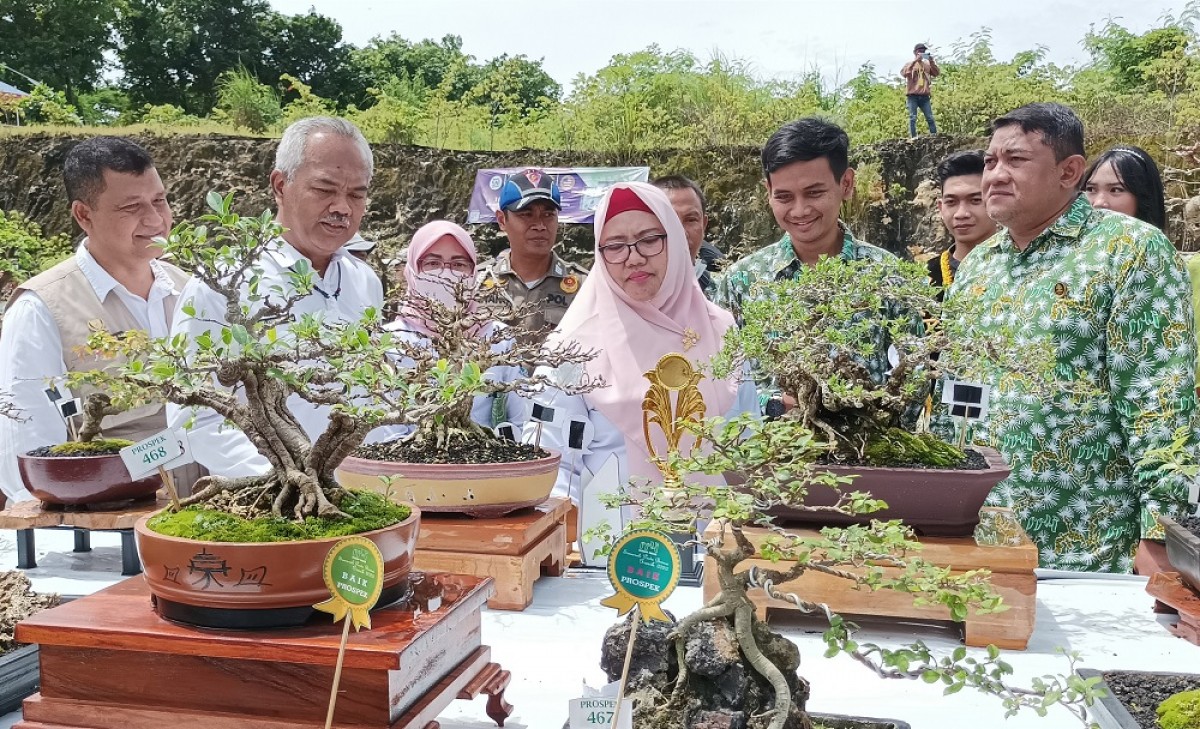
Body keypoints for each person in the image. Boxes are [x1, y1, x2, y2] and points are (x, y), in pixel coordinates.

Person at [947, 102, 1198, 574]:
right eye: (990, 161)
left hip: (1087, 547)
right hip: (979, 536)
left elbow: (1160, 405)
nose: (995, 175)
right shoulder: (979, 265)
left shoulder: (1130, 249)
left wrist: (1161, 536)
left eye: (1016, 160)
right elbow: (960, 393)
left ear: (1069, 171)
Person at [168, 116, 384, 478]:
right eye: (325, 189)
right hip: (272, 502)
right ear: (280, 185)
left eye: (356, 194)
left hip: (365, 494)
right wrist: (290, 477)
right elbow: (192, 415)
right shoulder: (221, 285)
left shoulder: (365, 282)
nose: (342, 207)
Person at [529, 182, 758, 505]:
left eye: (650, 240)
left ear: (676, 242)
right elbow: (552, 465)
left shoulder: (723, 333)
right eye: (615, 245)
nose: (633, 258)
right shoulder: (572, 346)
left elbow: (750, 447)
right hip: (610, 544)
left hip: (717, 543)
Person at [0, 136, 192, 503]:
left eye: (159, 200)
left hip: (214, 515)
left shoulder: (194, 291)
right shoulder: (41, 308)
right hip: (106, 528)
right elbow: (26, 458)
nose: (154, 220)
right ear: (84, 215)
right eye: (130, 207)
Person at [385, 220, 528, 434]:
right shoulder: (388, 341)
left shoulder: (498, 337)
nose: (446, 273)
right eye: (432, 263)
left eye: (459, 264)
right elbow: (383, 432)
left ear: (472, 273)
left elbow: (521, 420)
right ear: (412, 270)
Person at [475, 168, 588, 346]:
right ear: (502, 220)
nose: (540, 225)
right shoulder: (477, 283)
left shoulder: (583, 287)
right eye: (526, 215)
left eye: (548, 214)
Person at [928, 150, 995, 294]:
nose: (961, 214)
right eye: (951, 202)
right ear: (941, 207)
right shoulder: (923, 278)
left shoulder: (1018, 270)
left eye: (975, 200)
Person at [652, 174, 725, 299]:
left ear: (704, 224)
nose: (681, 233)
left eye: (691, 220)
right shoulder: (623, 299)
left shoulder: (723, 294)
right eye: (668, 219)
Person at [902, 43, 939, 138]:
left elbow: (936, 73)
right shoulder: (909, 64)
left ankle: (934, 136)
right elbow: (904, 73)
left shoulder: (926, 65)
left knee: (930, 118)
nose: (922, 52)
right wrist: (915, 61)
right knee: (912, 117)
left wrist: (931, 61)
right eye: (920, 50)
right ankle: (913, 137)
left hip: (924, 96)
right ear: (915, 52)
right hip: (912, 96)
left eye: (923, 51)